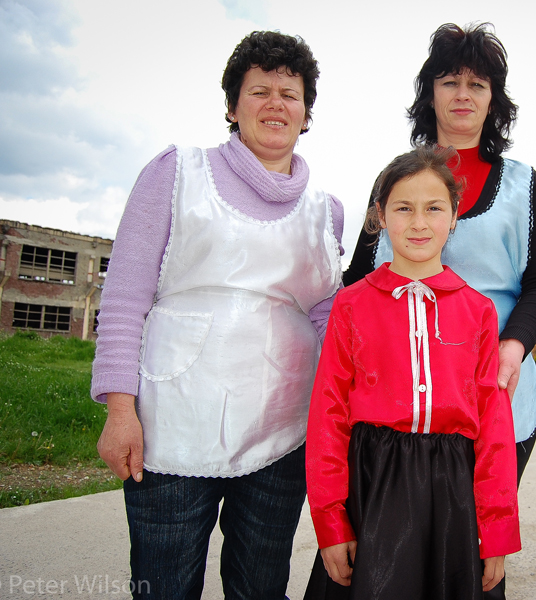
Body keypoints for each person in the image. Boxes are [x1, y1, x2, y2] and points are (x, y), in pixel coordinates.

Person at [91, 31, 343, 599]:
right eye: (260, 91)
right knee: (164, 588)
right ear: (233, 106)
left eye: (290, 93)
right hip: (171, 429)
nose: (276, 103)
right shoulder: (176, 173)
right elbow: (126, 297)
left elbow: (330, 317)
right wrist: (119, 409)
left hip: (283, 436)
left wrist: (339, 419)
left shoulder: (326, 210)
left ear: (306, 115)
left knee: (259, 588)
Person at [344, 22, 536, 487]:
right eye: (449, 82)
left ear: (492, 100)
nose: (463, 94)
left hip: (491, 387)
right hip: (397, 399)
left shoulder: (524, 185)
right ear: (431, 95)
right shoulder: (393, 181)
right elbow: (359, 277)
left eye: (476, 85)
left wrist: (514, 344)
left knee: (472, 543)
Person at [304, 146, 521, 600]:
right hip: (373, 484)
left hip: (453, 492)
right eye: (404, 208)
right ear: (381, 215)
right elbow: (328, 414)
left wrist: (497, 529)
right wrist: (330, 520)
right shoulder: (351, 304)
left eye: (433, 208)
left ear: (454, 217)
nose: (419, 223)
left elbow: (495, 426)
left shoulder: (479, 311)